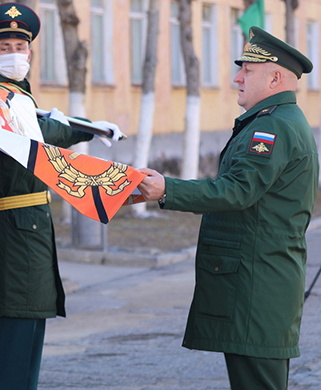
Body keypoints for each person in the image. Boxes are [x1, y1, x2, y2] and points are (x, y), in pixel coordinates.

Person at [137, 26, 319, 390]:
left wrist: (165, 188)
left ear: (275, 78)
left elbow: (236, 191)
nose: (237, 78)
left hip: (258, 288)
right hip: (261, 283)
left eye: (247, 71)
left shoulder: (273, 129)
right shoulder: (273, 122)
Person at [0, 3, 123, 389]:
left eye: (21, 45)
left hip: (25, 237)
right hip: (7, 239)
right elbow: (32, 134)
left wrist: (85, 128)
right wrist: (80, 129)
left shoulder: (17, 94)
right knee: (5, 364)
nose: (15, 53)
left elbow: (41, 127)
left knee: (23, 362)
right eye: (5, 47)